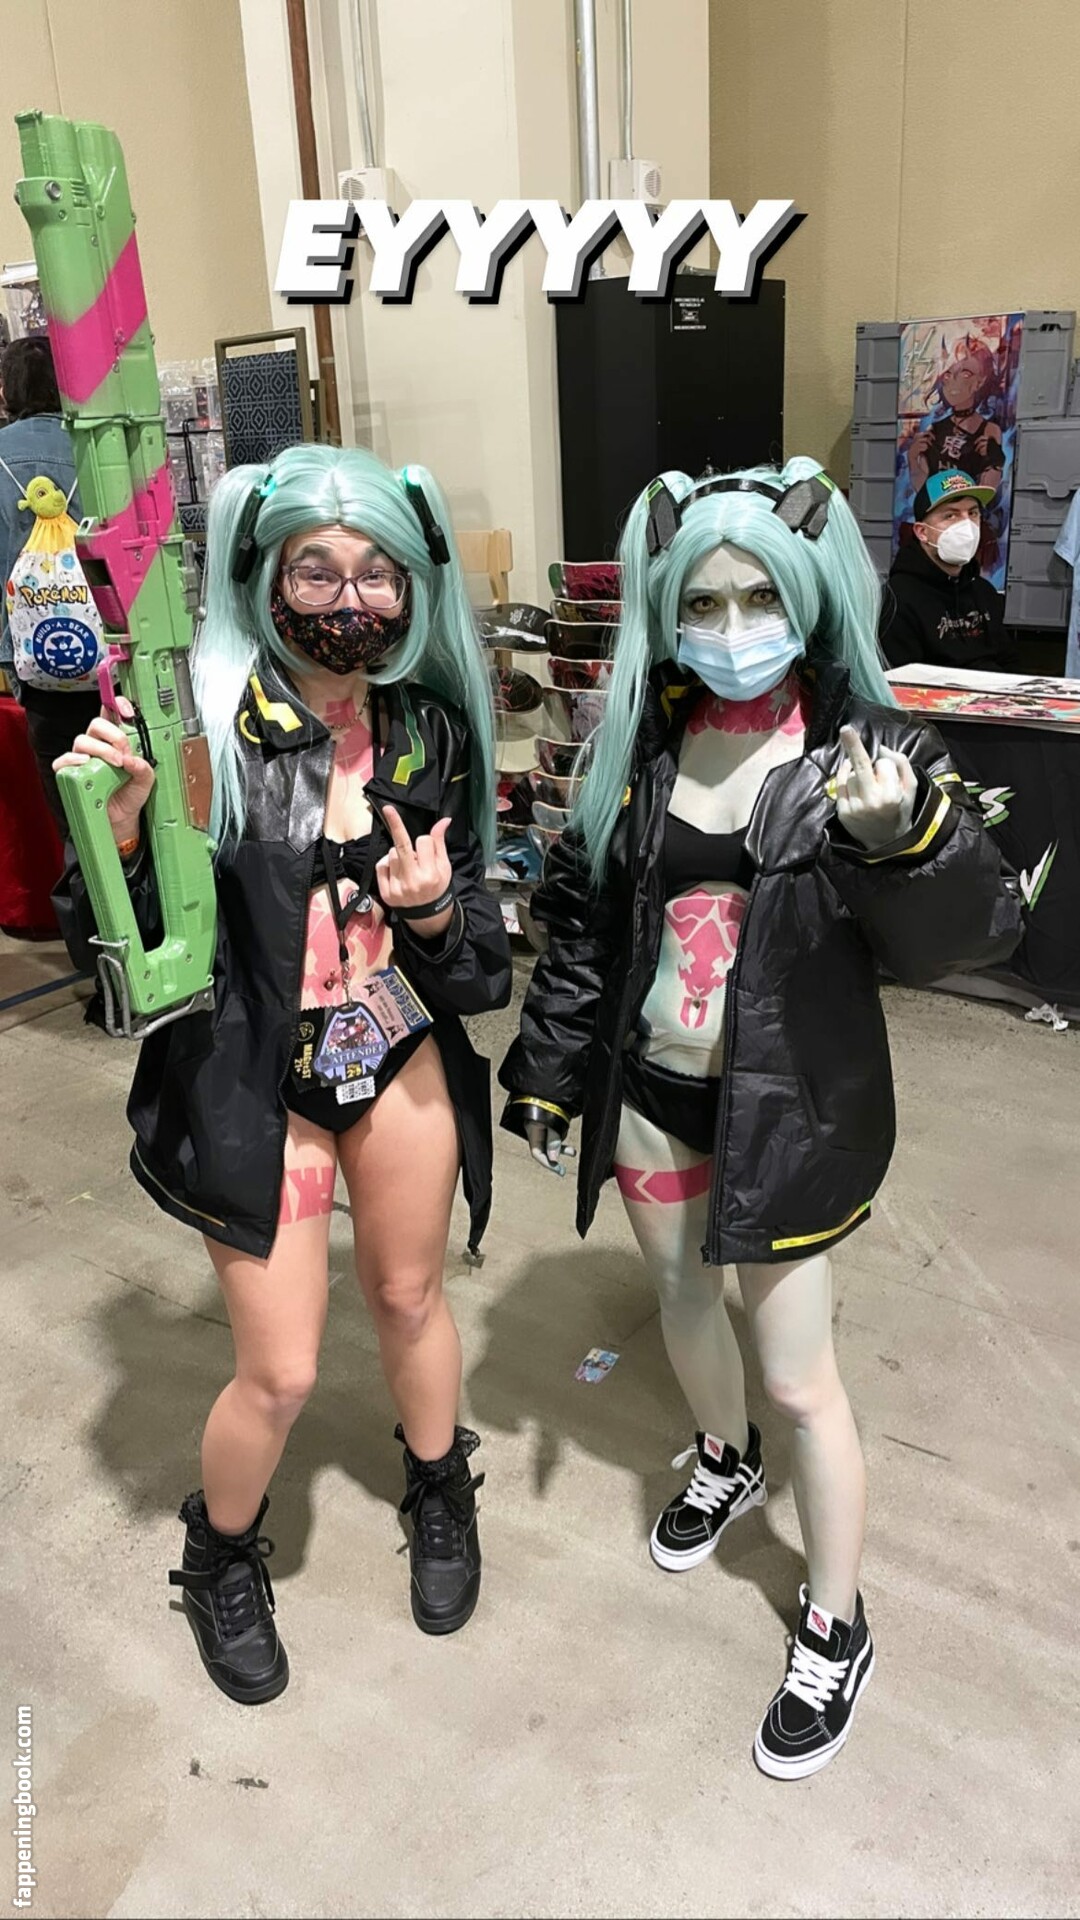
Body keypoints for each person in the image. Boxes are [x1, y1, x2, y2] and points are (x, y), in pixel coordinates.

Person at [500, 457, 1022, 1779]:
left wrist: (906, 843)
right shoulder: (642, 746)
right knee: (683, 1302)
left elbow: (974, 931)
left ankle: (837, 1621)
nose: (732, 629)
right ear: (669, 608)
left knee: (799, 1376)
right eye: (704, 603)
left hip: (788, 1115)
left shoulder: (868, 748)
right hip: (652, 1099)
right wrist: (549, 1069)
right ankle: (722, 1459)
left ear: (808, 593)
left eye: (760, 599)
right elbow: (586, 926)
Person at [53, 444, 512, 1703]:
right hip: (256, 1073)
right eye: (318, 570)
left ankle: (440, 1486)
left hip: (397, 1047)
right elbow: (118, 964)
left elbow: (481, 963)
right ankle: (218, 1554)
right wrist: (124, 837)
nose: (350, 599)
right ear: (264, 576)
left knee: (411, 1298)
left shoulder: (427, 728)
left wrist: (432, 916)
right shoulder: (200, 733)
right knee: (284, 1369)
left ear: (412, 587)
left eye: (377, 573)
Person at [0, 333, 99, 832]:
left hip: (31, 656)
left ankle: (82, 874)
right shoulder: (97, 446)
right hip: (106, 644)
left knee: (69, 810)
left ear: (6, 390)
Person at [879, 468, 1021, 674]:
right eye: (951, 515)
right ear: (922, 532)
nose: (966, 525)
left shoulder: (984, 593)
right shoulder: (897, 600)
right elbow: (901, 680)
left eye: (972, 513)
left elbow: (1010, 662)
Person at [905, 336, 1004, 495]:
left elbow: (988, 490)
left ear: (980, 381)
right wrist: (912, 458)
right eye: (948, 374)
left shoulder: (988, 430)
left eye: (965, 374)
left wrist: (995, 462)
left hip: (967, 507)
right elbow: (922, 489)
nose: (954, 381)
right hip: (938, 508)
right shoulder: (935, 429)